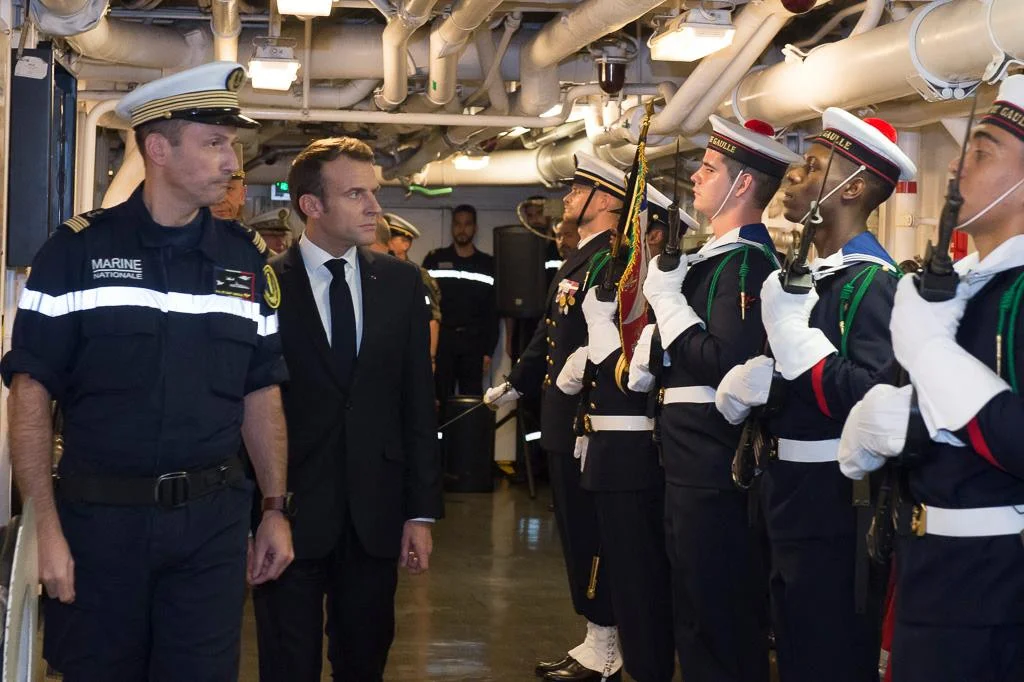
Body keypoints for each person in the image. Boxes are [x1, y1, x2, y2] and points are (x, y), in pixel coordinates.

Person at [0, 61, 293, 681]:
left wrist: (274, 507)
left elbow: (260, 393)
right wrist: (44, 529)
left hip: (211, 528)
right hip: (100, 527)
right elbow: (30, 393)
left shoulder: (244, 262)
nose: (232, 162)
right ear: (158, 148)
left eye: (232, 144)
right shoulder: (73, 254)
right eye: (214, 143)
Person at [715, 108, 916, 682]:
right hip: (788, 494)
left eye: (812, 166)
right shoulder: (812, 273)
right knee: (797, 648)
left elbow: (875, 398)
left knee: (828, 655)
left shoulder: (875, 285)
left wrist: (798, 353)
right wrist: (765, 385)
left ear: (851, 188)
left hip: (836, 504)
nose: (794, 177)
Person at [836, 74, 1024, 682]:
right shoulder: (961, 285)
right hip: (927, 561)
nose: (955, 169)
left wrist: (930, 352)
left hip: (995, 586)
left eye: (981, 153)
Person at [253, 136, 443, 682]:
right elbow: (246, 405)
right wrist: (257, 513)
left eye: (374, 193)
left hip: (374, 517)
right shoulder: (265, 286)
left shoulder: (401, 284)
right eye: (356, 194)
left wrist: (420, 512)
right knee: (287, 663)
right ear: (311, 205)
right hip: (287, 513)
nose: (374, 207)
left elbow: (416, 406)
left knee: (364, 661)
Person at [632, 118, 799, 682]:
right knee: (695, 615)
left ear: (744, 184)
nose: (697, 178)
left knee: (720, 618)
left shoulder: (747, 263)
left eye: (710, 169)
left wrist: (669, 309)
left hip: (713, 461)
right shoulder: (715, 258)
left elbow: (725, 359)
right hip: (686, 458)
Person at [486, 153, 624, 682]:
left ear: (606, 200)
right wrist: (516, 384)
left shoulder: (612, 262)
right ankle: (593, 636)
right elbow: (550, 334)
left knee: (592, 534)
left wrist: (593, 419)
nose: (566, 199)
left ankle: (607, 644)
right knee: (575, 530)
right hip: (561, 421)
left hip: (587, 426)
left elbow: (611, 348)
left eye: (579, 190)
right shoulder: (578, 259)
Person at [554, 185, 695, 682]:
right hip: (610, 450)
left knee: (641, 580)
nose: (625, 248)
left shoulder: (664, 296)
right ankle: (623, 656)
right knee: (618, 566)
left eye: (637, 234)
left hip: (638, 452)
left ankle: (645, 667)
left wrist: (605, 348)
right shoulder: (632, 290)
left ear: (655, 235)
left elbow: (640, 379)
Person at [424, 204, 498, 400]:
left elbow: (492, 311)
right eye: (457, 224)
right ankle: (439, 433)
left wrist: (488, 351)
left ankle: (468, 433)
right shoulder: (434, 260)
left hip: (474, 343)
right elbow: (425, 308)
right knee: (439, 398)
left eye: (467, 224)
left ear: (475, 227)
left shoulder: (487, 264)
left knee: (471, 401)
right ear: (451, 226)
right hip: (442, 342)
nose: (462, 229)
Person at [383, 212, 442, 372]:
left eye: (389, 238)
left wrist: (430, 359)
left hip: (411, 354)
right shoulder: (379, 272)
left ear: (405, 243)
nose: (384, 242)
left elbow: (431, 320)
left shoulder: (417, 276)